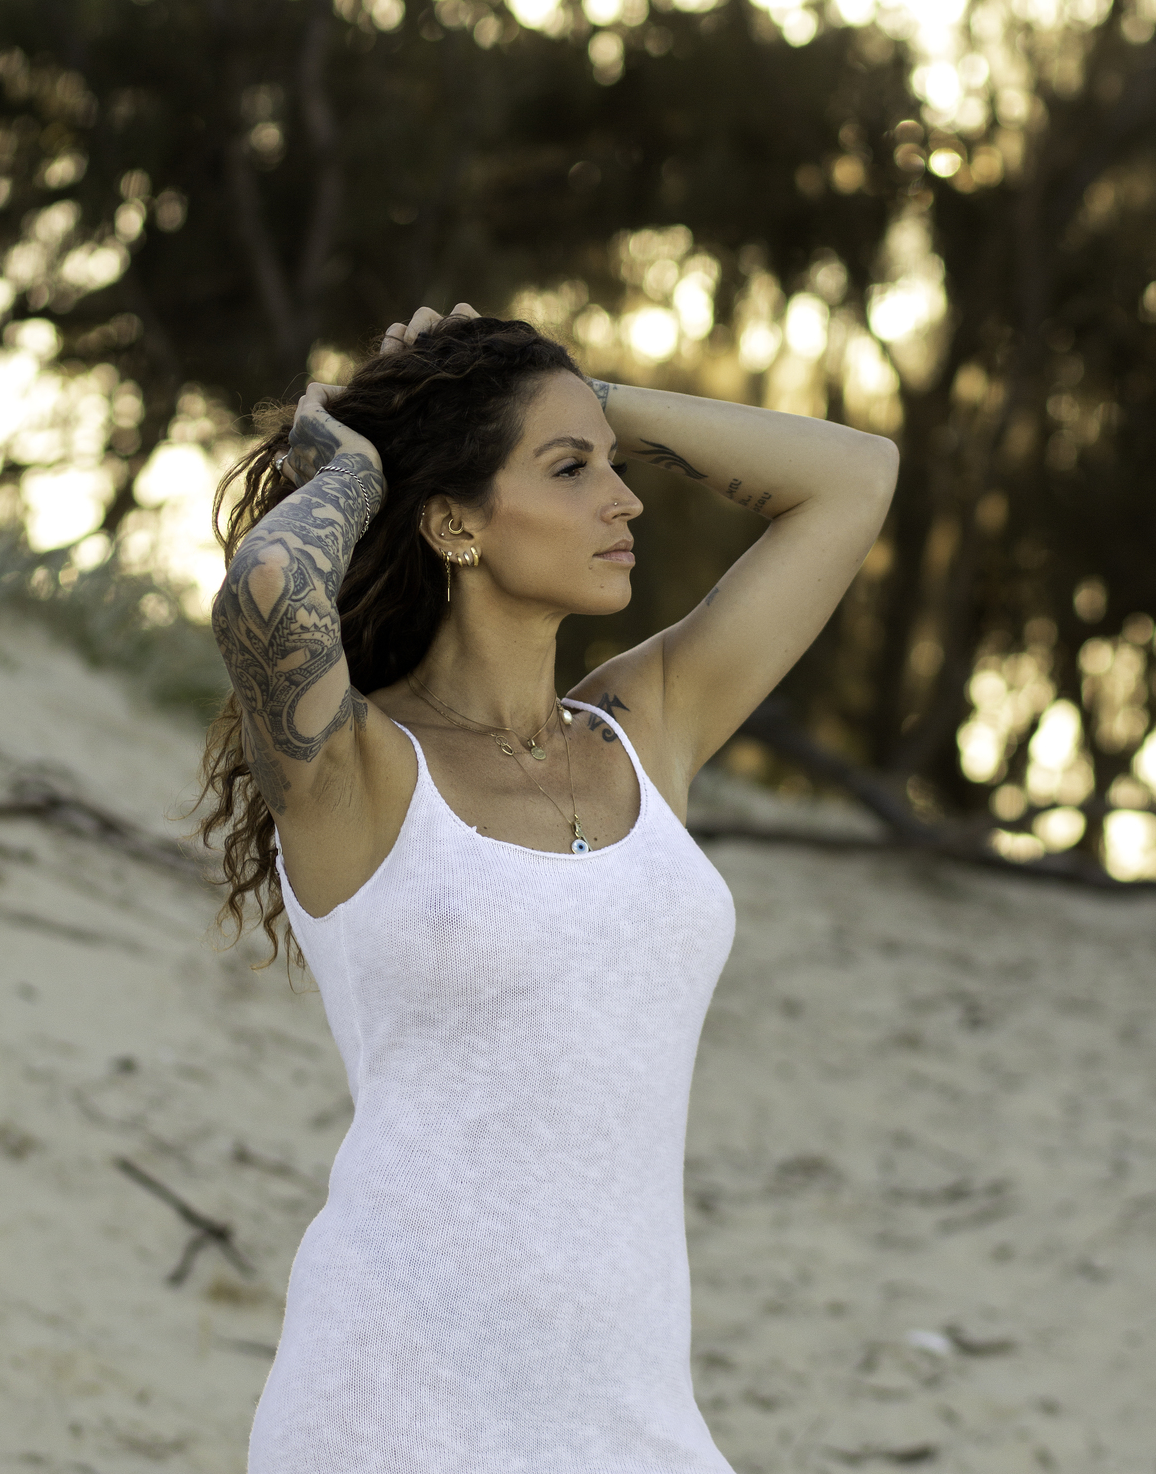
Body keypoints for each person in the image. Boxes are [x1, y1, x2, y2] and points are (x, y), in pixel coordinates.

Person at [202, 301, 898, 1473]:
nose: (624, 501)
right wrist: (355, 467)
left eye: (612, 468)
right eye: (571, 471)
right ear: (454, 522)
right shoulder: (360, 772)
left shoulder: (645, 729)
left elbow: (854, 476)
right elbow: (268, 587)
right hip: (394, 1415)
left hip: (631, 1422)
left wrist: (574, 393)